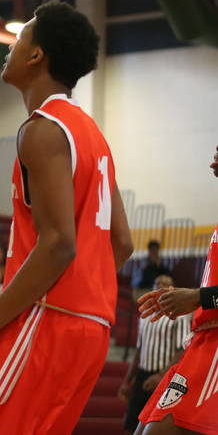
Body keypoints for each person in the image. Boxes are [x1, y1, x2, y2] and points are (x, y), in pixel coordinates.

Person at [0, 2, 134, 434]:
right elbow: (123, 244)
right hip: (90, 328)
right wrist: (84, 296)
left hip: (48, 317)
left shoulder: (43, 129)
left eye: (20, 37)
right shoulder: (93, 136)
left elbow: (59, 243)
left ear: (37, 55)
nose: (11, 45)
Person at [133, 144, 218, 435]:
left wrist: (197, 297)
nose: (213, 156)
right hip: (201, 342)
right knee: (143, 428)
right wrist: (191, 295)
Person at [118, 275, 191, 435]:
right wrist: (127, 380)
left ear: (172, 290)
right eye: (158, 283)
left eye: (166, 284)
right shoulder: (146, 315)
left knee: (153, 427)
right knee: (130, 424)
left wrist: (160, 375)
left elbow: (182, 349)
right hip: (142, 375)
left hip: (163, 377)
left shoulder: (179, 315)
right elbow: (139, 349)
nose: (161, 286)